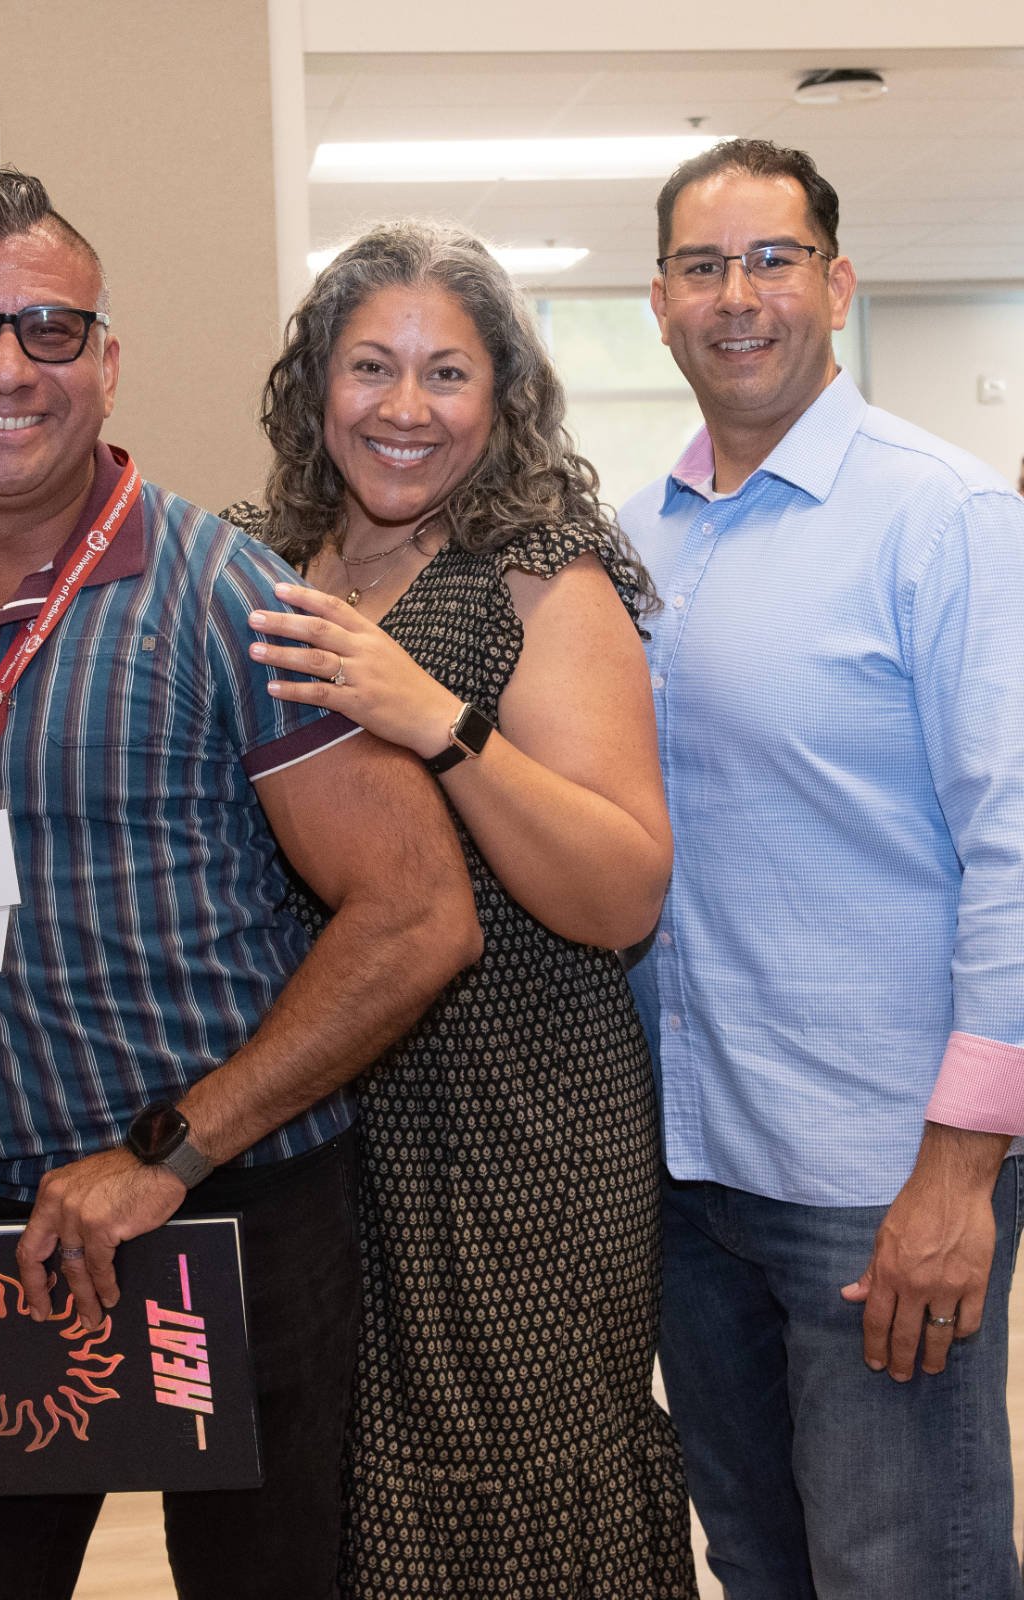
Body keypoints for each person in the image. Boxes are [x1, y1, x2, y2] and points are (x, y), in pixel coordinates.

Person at [0, 167, 480, 1600]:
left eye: (50, 331)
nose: (6, 367)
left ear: (107, 362)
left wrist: (166, 1153)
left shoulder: (241, 605)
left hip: (230, 1209)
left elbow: (417, 915)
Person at [228, 220, 692, 1598]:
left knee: (521, 1491)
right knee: (350, 1491)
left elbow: (622, 889)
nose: (405, 409)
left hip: (523, 1122)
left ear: (503, 402)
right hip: (325, 1106)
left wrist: (436, 719)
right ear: (316, 387)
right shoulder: (263, 564)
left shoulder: (540, 574)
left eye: (447, 375)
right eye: (372, 367)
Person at [621, 137, 1024, 1598]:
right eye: (703, 266)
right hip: (689, 1166)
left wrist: (959, 1174)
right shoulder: (628, 540)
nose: (741, 297)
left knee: (905, 1568)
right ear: (657, 302)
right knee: (762, 1562)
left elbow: (1016, 851)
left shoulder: (947, 518)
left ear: (836, 285)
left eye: (774, 259)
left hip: (874, 1177)